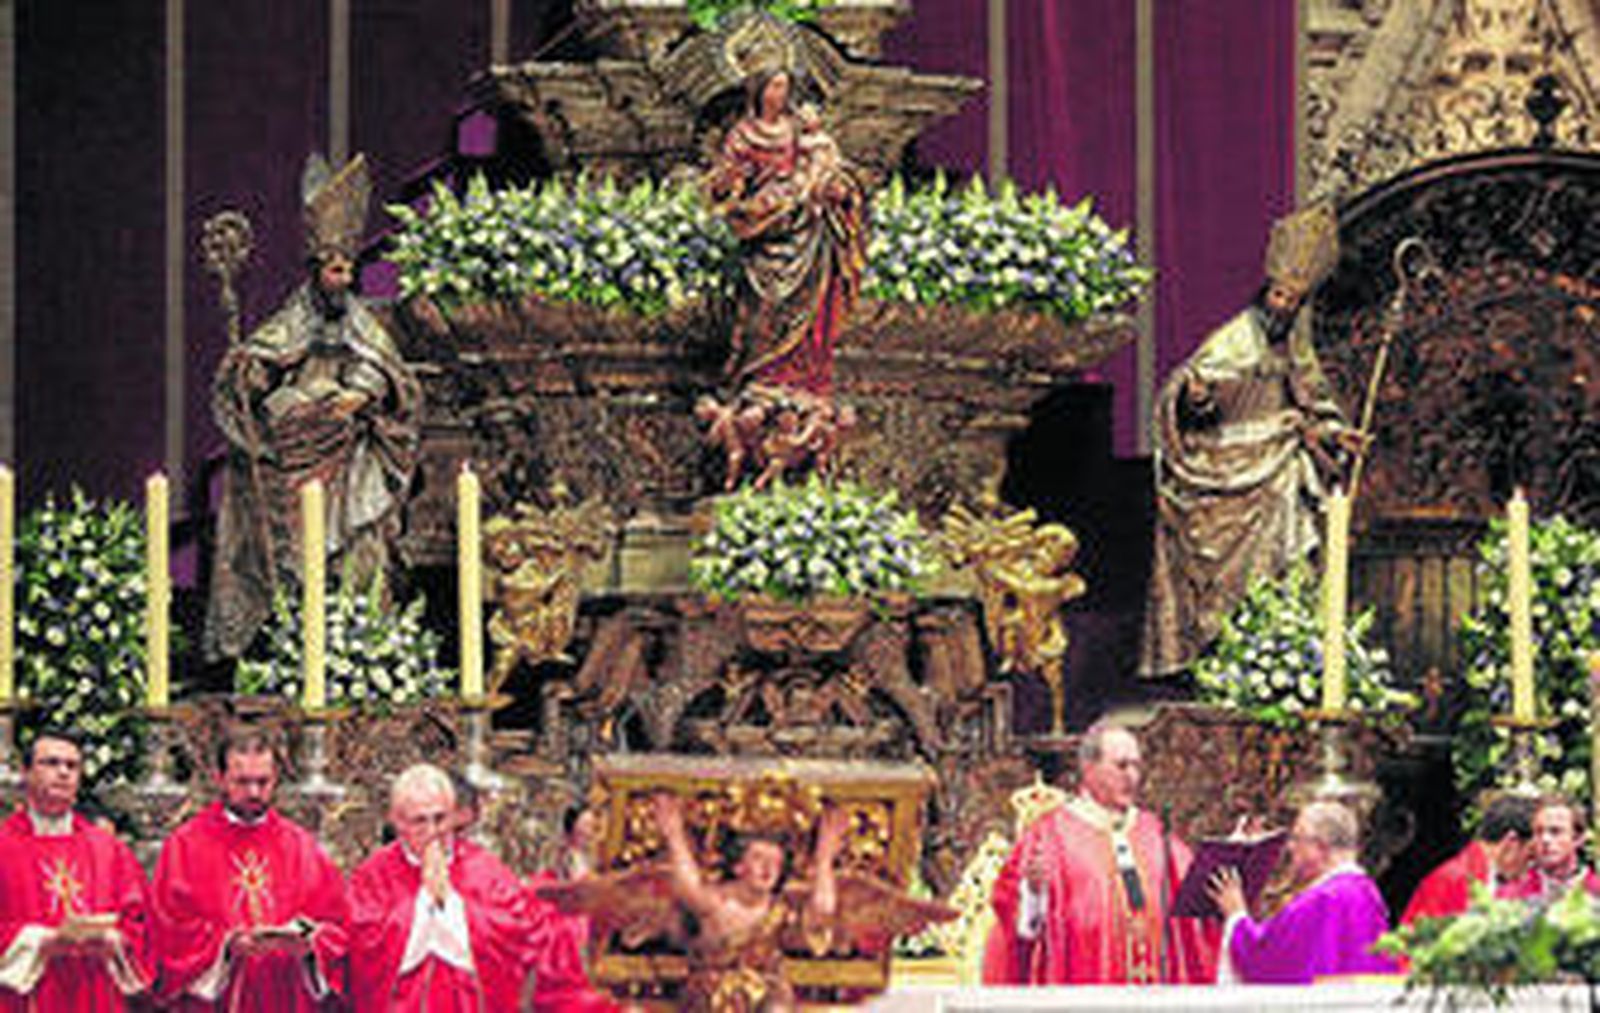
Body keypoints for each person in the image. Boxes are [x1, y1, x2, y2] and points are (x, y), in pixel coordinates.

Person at [206, 152, 422, 659]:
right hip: (297, 451)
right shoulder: (292, 319)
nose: (343, 279)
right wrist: (252, 372)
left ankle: (356, 644)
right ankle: (293, 641)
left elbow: (389, 372)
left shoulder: (363, 323)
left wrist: (361, 394)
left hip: (350, 453)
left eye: (348, 269)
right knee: (296, 555)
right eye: (334, 269)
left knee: (358, 549)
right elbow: (262, 364)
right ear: (316, 269)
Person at [1141, 203, 1365, 677]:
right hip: (1222, 465)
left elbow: (1311, 405)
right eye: (1280, 295)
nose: (1283, 305)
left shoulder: (1295, 347)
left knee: (1293, 539)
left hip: (1278, 464)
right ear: (1267, 292)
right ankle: (1218, 654)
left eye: (1293, 299)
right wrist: (1197, 397)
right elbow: (1193, 394)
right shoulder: (1232, 340)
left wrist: (1334, 432)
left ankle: (1277, 649)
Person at [983, 722, 1217, 984]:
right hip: (1084, 986)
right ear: (1089, 768)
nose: (1132, 776)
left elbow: (1199, 891)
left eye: (1137, 766)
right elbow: (1013, 923)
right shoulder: (1051, 834)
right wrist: (1035, 894)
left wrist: (1235, 854)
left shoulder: (1154, 832)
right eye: (1121, 766)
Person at [151, 726, 349, 1011]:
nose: (254, 792)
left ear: (276, 779)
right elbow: (168, 929)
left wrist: (310, 943)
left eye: (263, 781)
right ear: (219, 779)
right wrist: (226, 945)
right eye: (242, 782)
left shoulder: (301, 845)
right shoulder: (186, 845)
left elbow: (337, 924)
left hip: (287, 995)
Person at [704, 67, 866, 400]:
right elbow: (726, 186)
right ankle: (759, 373)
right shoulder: (743, 134)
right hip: (764, 228)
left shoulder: (799, 130)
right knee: (763, 306)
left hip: (807, 228)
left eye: (784, 86)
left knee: (813, 303)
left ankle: (802, 376)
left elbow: (828, 170)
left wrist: (835, 191)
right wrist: (729, 184)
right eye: (772, 86)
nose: (778, 93)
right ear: (759, 90)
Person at [348, 762, 546, 1010]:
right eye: (419, 821)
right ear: (397, 821)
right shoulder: (373, 875)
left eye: (440, 819)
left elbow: (519, 938)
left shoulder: (486, 870)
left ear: (454, 814)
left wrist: (451, 906)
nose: (432, 831)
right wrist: (423, 903)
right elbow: (362, 950)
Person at [653, 793, 848, 1012]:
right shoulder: (719, 902)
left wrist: (824, 858)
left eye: (775, 861)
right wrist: (674, 836)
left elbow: (821, 911)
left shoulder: (779, 908)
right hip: (712, 992)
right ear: (738, 866)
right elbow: (688, 889)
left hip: (765, 993)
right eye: (758, 858)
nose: (768, 869)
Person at [0, 728, 151, 1010]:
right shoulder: (3, 846)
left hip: (94, 990)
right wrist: (40, 941)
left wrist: (114, 941)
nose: (63, 773)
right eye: (51, 763)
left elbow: (141, 921)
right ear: (26, 772)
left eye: (72, 766)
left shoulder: (107, 848)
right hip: (27, 997)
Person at [1209, 799, 1397, 983]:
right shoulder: (1367, 892)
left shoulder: (1322, 899)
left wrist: (1236, 915)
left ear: (1321, 847)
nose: (1290, 848)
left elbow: (1265, 959)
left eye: (1297, 839)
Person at [523, 806, 620, 1013]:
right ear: (571, 830)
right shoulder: (564, 856)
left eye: (590, 826)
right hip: (567, 914)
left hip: (582, 912)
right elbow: (568, 887)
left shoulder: (590, 856)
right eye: (583, 826)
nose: (588, 832)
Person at [1401, 794, 1535, 923]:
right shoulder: (1454, 878)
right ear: (1511, 842)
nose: (1528, 867)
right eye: (1529, 856)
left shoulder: (1482, 875)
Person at [1497, 795, 1600, 903]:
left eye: (1555, 831)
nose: (1545, 839)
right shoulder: (1511, 895)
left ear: (1578, 838)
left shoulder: (1596, 891)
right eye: (1538, 832)